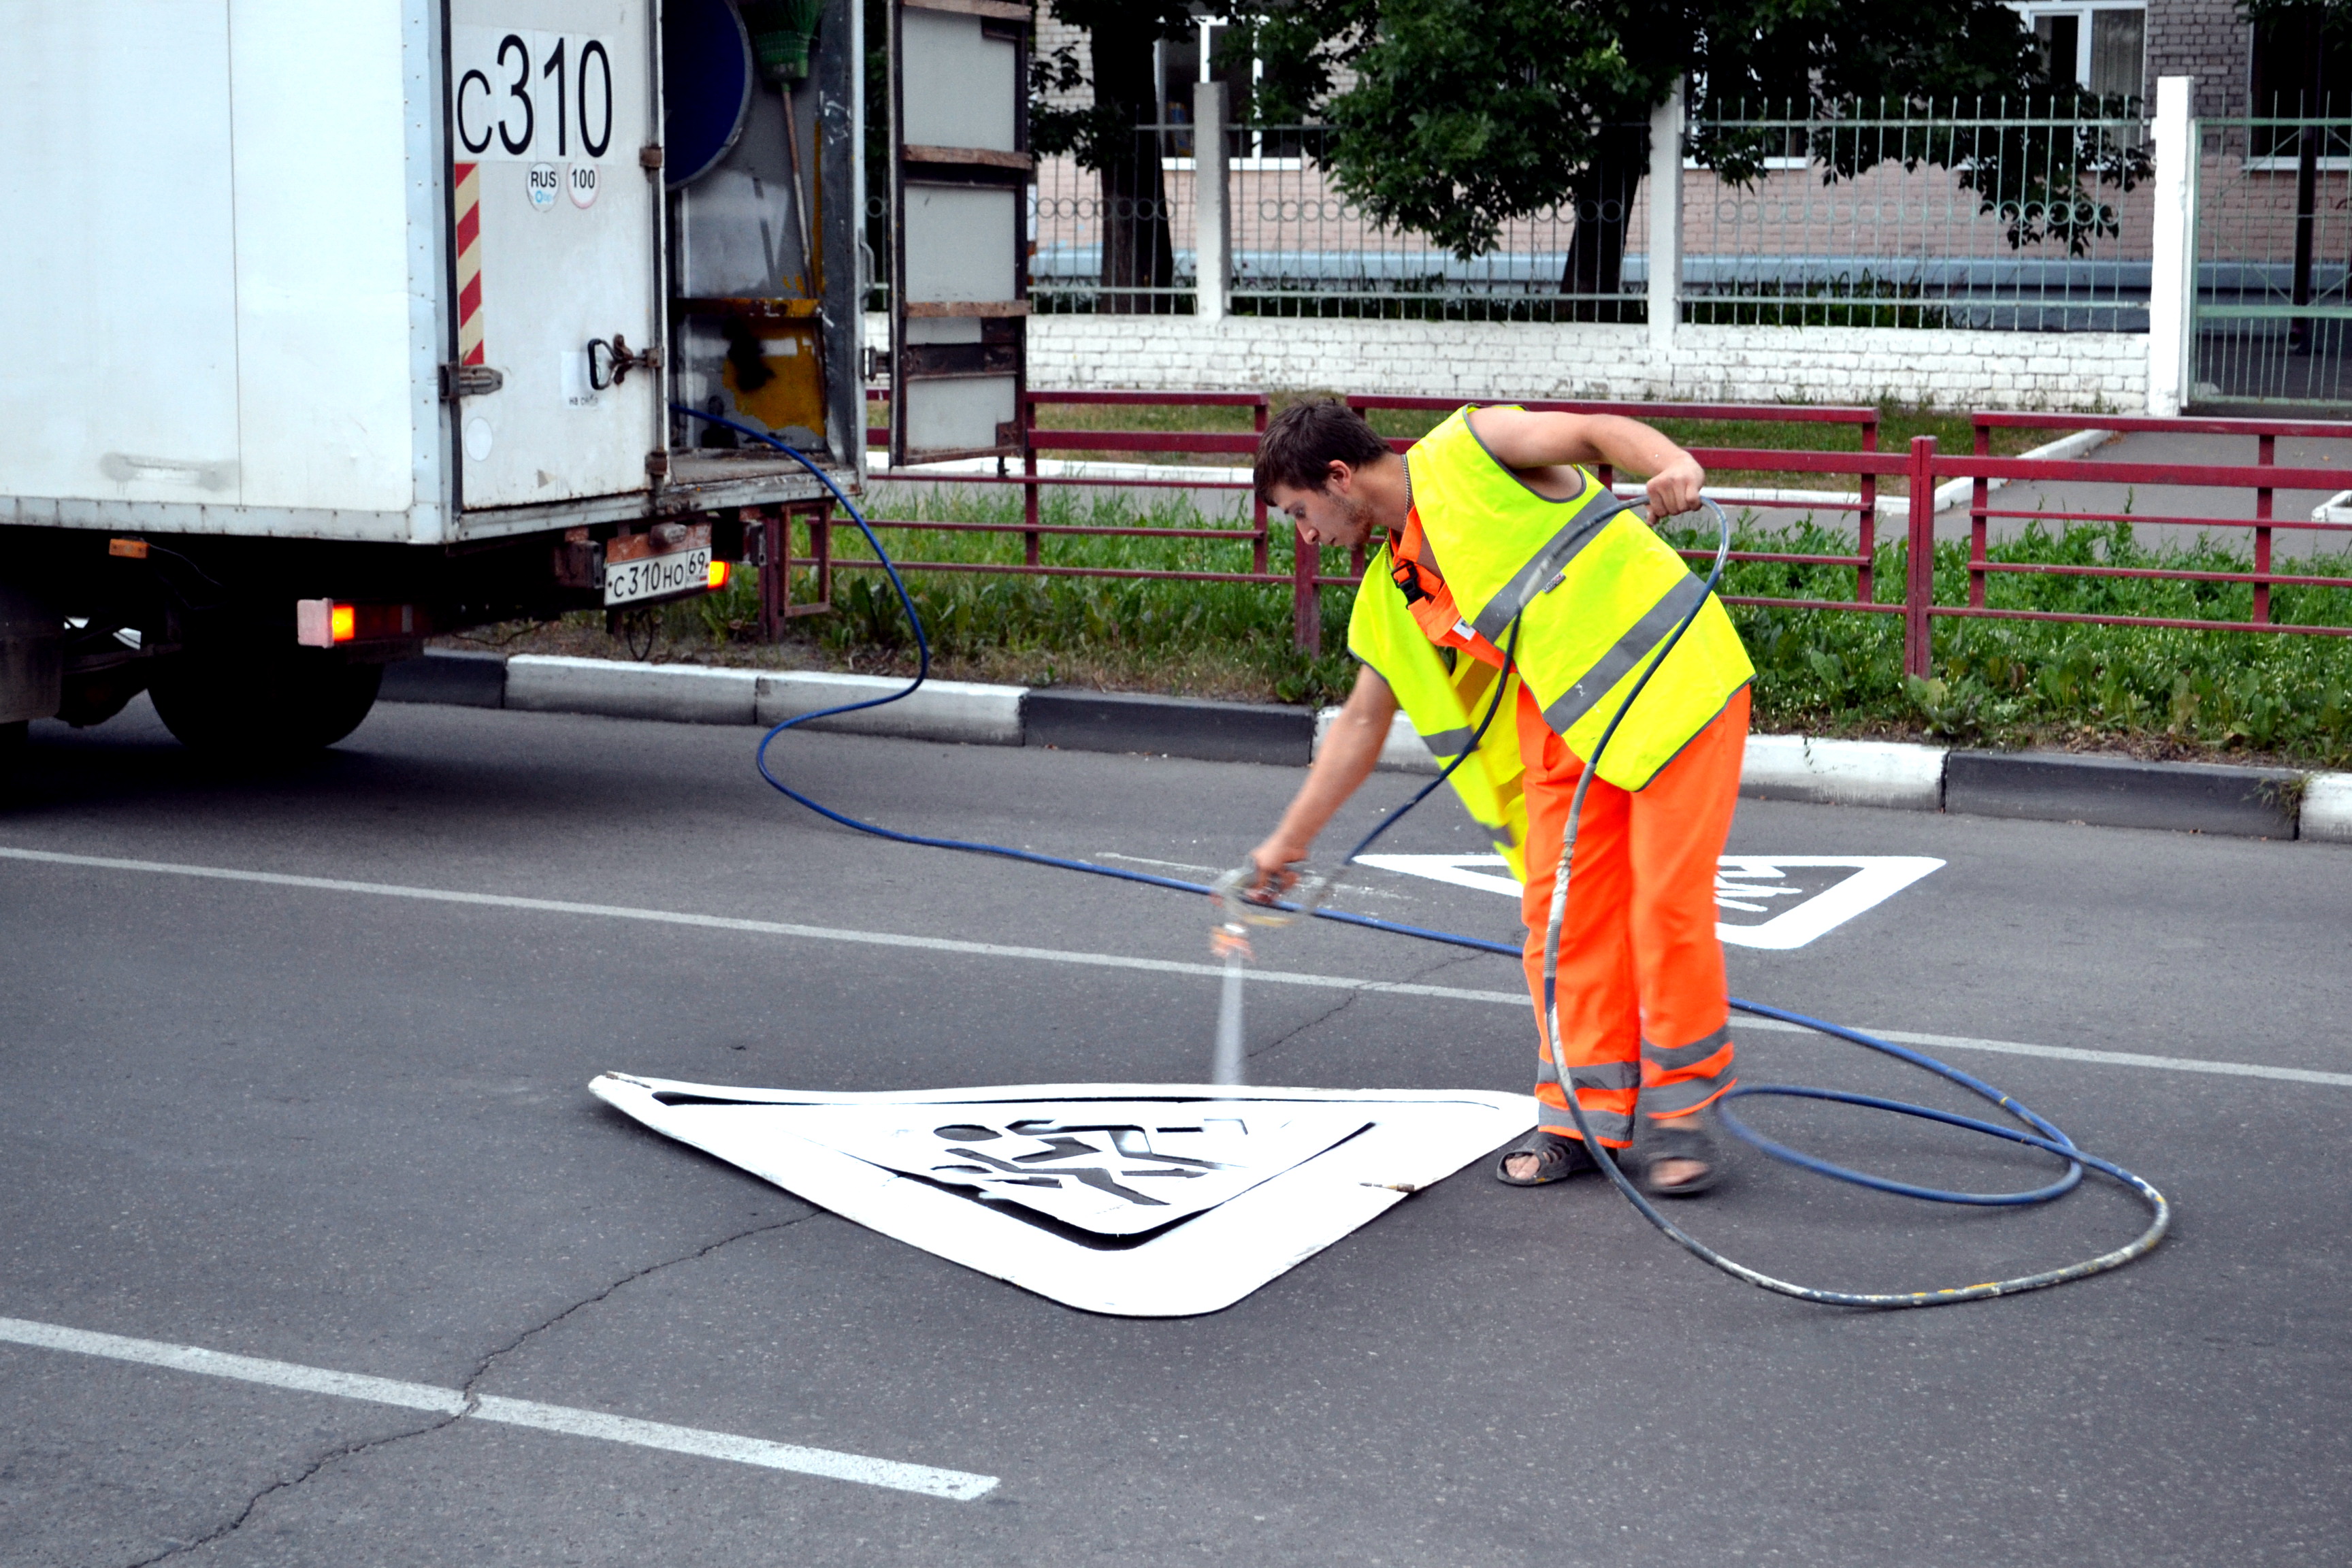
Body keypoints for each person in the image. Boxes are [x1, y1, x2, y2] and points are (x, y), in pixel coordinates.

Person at [1245, 400, 1754, 1195]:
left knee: (1663, 911)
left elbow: (1591, 433)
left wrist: (1672, 462)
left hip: (1674, 685)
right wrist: (1288, 843)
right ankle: (1580, 1121)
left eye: (1300, 513)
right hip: (1566, 735)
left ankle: (1681, 1118)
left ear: (1338, 478)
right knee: (1559, 924)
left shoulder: (1469, 447)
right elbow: (1361, 723)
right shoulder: (1396, 585)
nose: (1304, 537)